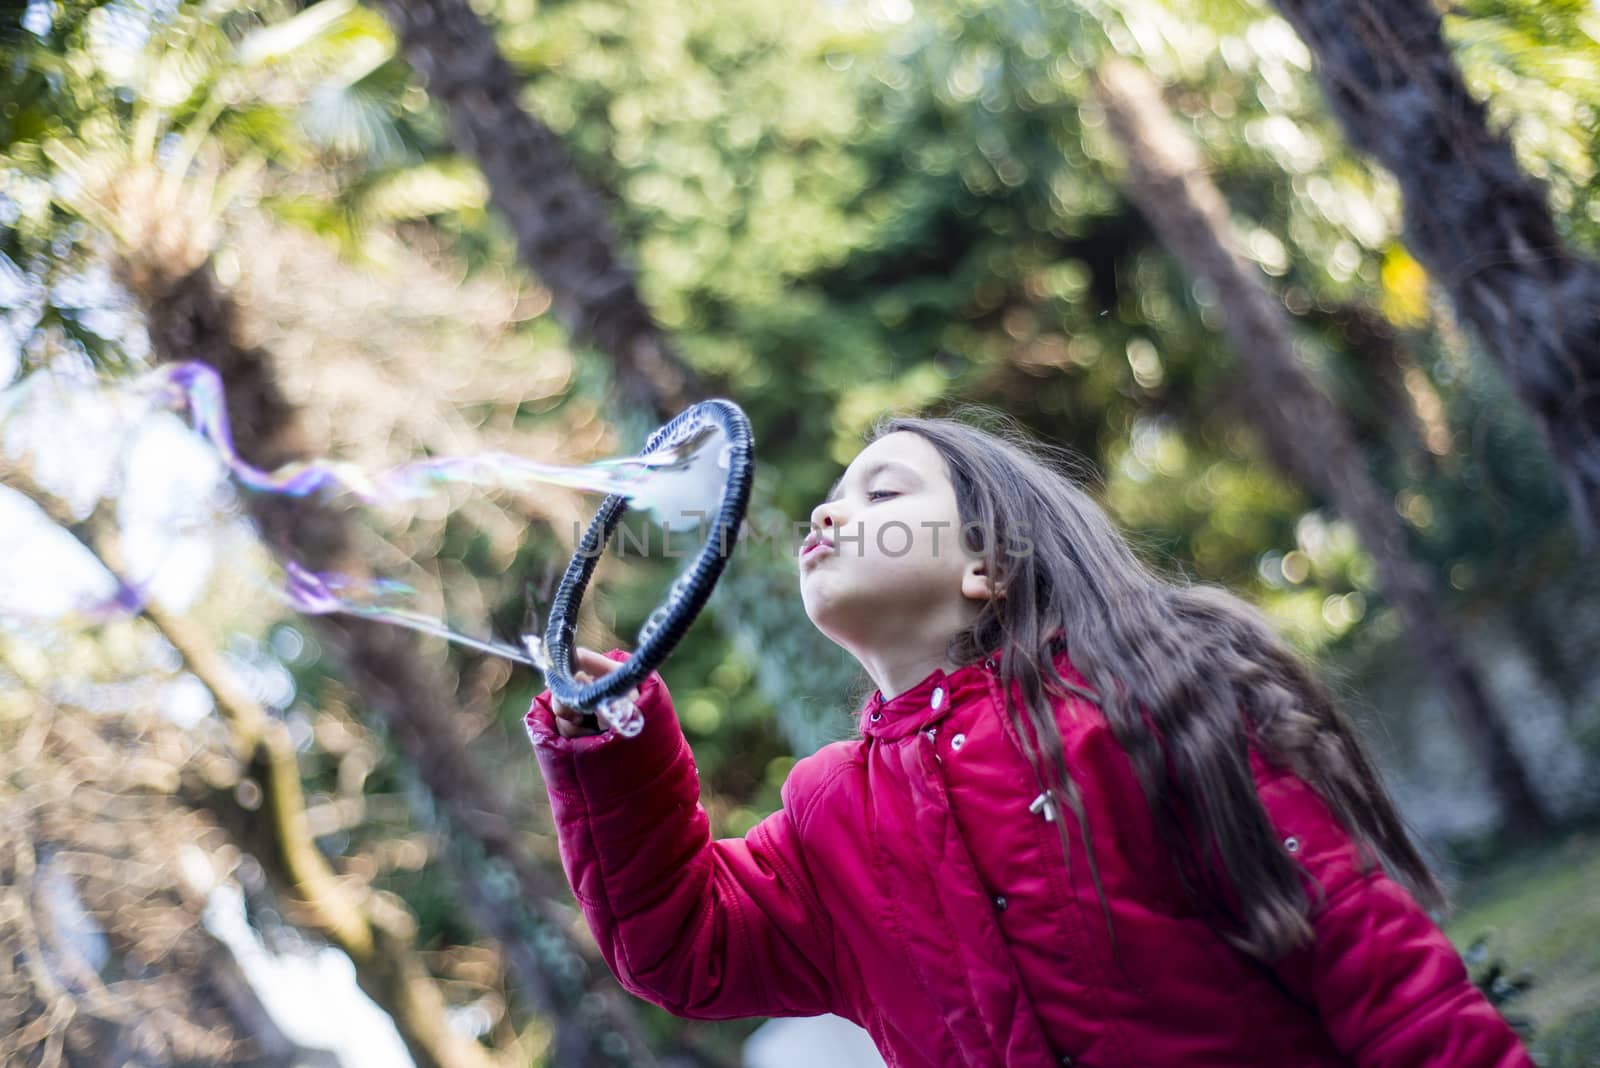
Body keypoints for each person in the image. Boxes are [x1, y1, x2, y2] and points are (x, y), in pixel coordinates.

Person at [525, 413, 1534, 1067]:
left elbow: (1368, 961)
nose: (832, 510)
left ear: (988, 570)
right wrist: (608, 748)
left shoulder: (1141, 701)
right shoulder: (830, 814)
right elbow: (682, 943)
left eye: (883, 493)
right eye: (833, 498)